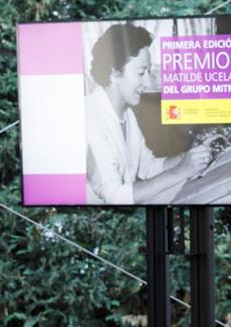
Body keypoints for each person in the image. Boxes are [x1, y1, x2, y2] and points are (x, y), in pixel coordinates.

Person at [84, 23, 210, 204]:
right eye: (141, 72)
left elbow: (148, 167)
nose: (148, 83)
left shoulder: (127, 113)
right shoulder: (90, 118)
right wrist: (182, 170)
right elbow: (115, 197)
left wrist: (189, 157)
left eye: (148, 72)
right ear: (113, 73)